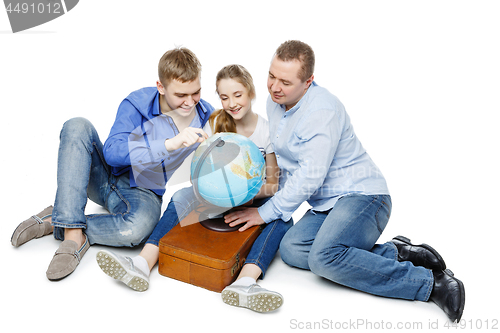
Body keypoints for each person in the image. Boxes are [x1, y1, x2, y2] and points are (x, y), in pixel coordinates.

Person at [223, 40, 465, 322]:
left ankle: (429, 283)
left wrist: (264, 213)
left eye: (285, 82)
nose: (275, 87)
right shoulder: (275, 103)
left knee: (323, 258)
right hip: (327, 205)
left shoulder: (322, 111)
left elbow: (309, 177)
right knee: (291, 250)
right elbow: (288, 164)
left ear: (308, 81)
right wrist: (256, 190)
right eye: (271, 76)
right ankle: (395, 252)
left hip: (364, 196)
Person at [96, 64, 291, 312]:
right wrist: (214, 193)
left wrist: (245, 196)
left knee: (283, 218)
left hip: (253, 198)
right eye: (224, 97)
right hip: (215, 198)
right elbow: (197, 173)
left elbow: (273, 184)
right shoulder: (215, 123)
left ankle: (245, 282)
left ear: (251, 92)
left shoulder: (267, 131)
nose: (231, 103)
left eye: (238, 94)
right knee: (181, 195)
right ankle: (142, 264)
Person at [10, 47, 214, 281]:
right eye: (181, 95)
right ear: (161, 87)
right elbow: (112, 153)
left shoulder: (206, 114)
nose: (190, 102)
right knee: (77, 125)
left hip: (144, 192)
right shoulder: (136, 103)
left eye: (196, 92)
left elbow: (232, 139)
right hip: (103, 177)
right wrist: (168, 144)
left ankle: (60, 220)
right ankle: (73, 238)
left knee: (138, 229)